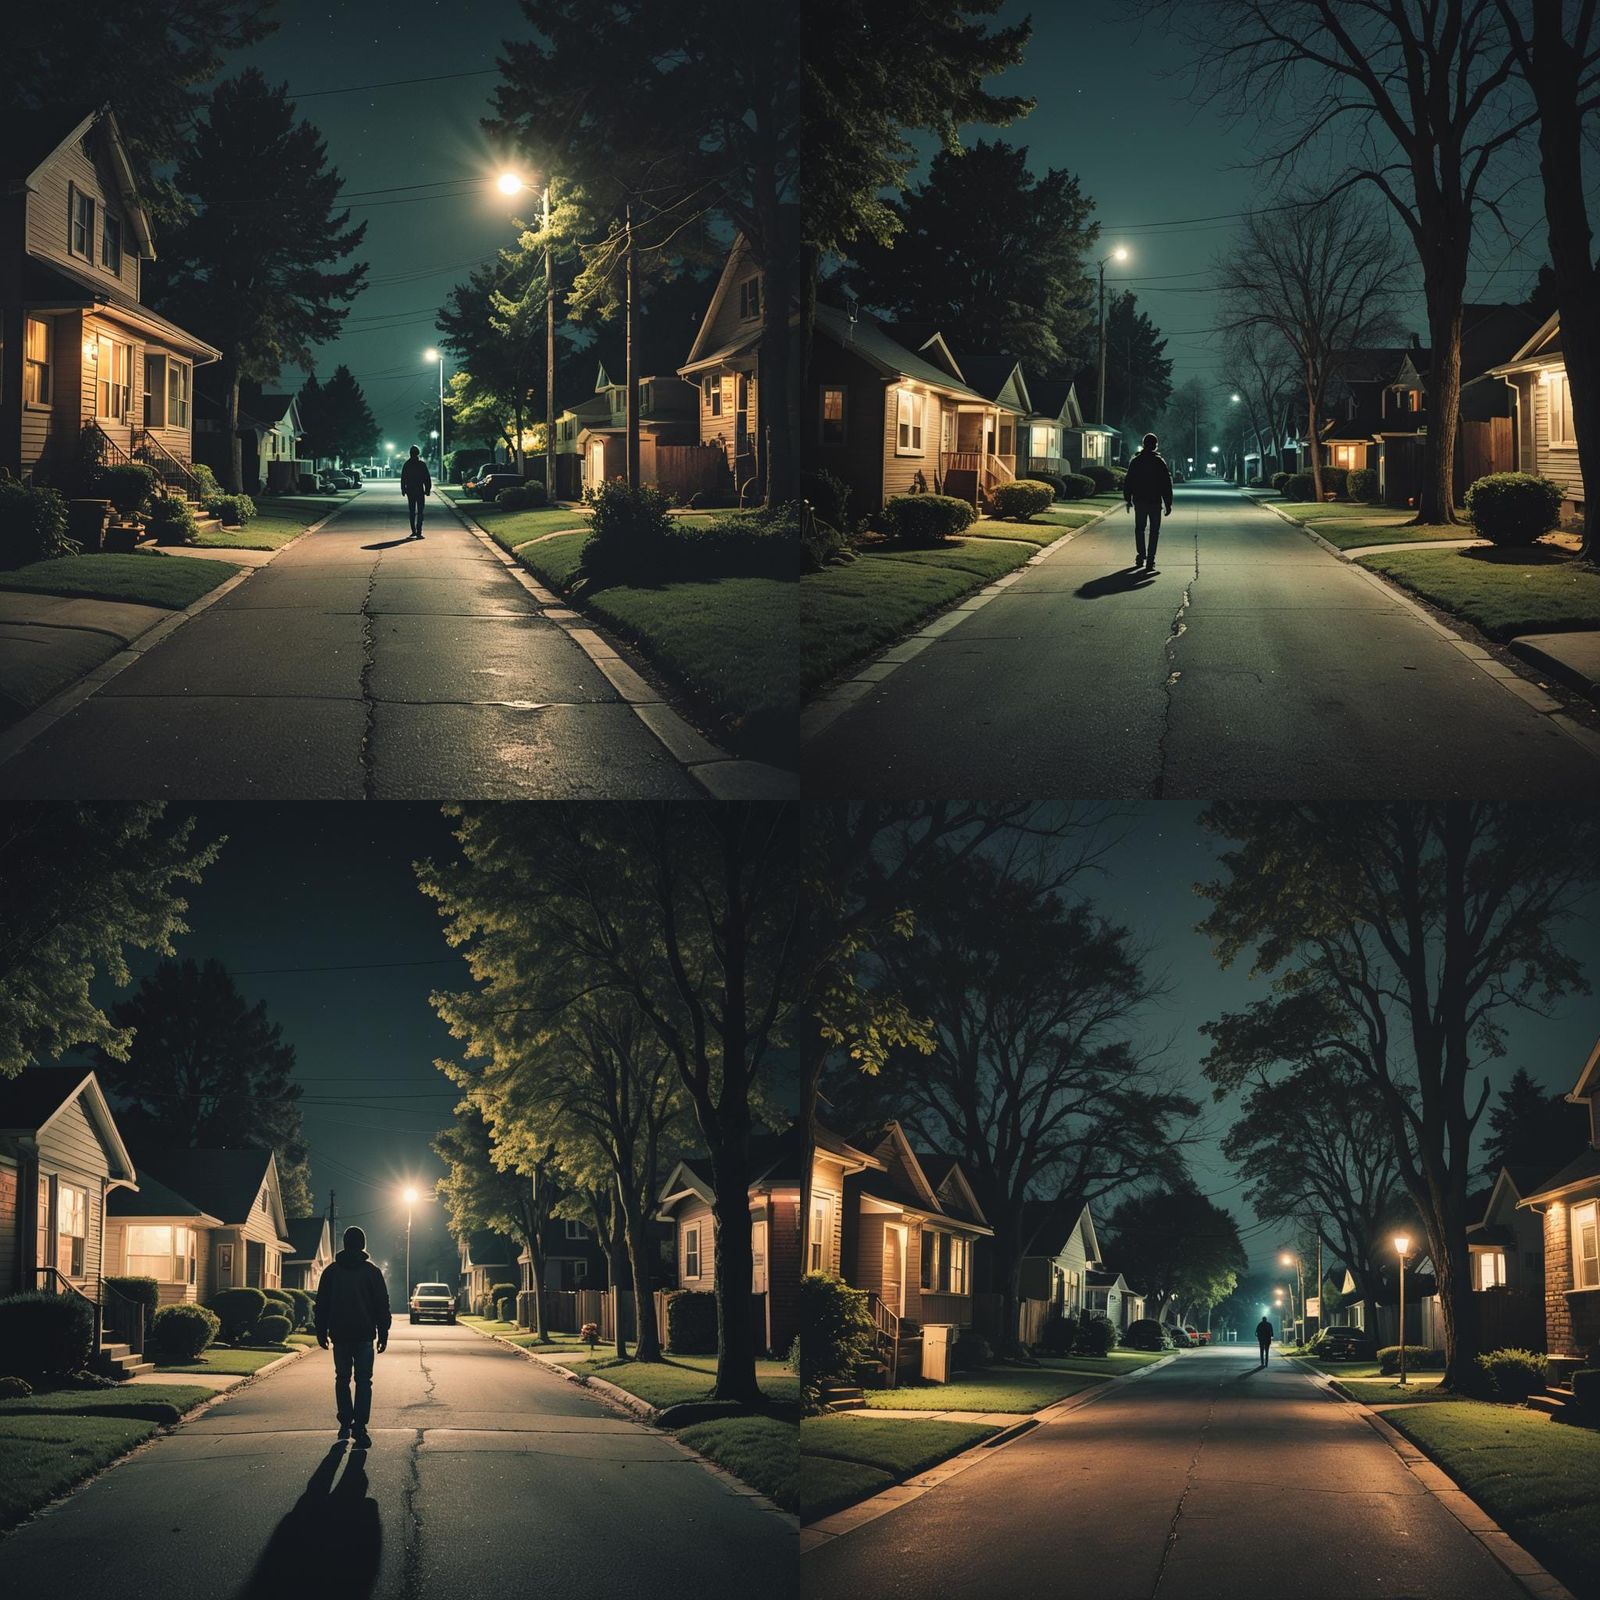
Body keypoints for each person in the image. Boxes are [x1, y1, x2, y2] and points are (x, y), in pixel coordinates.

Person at [315, 1225, 391, 1447]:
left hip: (339, 1334)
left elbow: (322, 1304)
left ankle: (345, 1421)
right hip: (365, 1334)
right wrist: (383, 1332)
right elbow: (381, 1305)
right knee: (364, 1380)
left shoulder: (331, 1272)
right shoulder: (372, 1272)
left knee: (342, 1378)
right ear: (363, 1245)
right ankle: (360, 1426)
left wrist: (321, 1330)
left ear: (345, 1244)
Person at [1123, 432, 1174, 571]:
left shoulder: (1136, 461)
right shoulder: (1159, 462)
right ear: (1155, 445)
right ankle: (1150, 559)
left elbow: (1128, 481)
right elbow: (1166, 484)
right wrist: (1168, 503)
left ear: (1144, 444)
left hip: (1139, 500)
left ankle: (1141, 556)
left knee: (1139, 529)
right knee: (1154, 531)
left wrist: (1128, 498)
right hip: (1154, 501)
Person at [399, 445, 432, 538]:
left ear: (410, 453)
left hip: (410, 490)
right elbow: (427, 478)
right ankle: (419, 530)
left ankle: (413, 530)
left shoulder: (407, 464)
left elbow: (403, 477)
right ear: (418, 453)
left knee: (412, 511)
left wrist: (403, 488)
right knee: (420, 511)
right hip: (419, 490)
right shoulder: (421, 464)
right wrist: (428, 489)